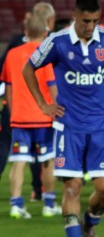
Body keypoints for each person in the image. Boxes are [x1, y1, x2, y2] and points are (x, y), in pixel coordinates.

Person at [23, 0, 104, 237]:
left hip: (100, 127)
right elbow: (28, 68)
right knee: (72, 188)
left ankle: (90, 224)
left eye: (95, 20)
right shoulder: (57, 42)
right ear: (75, 16)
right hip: (69, 127)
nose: (90, 26)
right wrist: (43, 104)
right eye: (85, 21)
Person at [2, 14, 60, 219]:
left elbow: (8, 87)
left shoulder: (12, 54)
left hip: (19, 118)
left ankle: (16, 205)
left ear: (25, 32)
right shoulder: (47, 54)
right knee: (48, 160)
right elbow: (52, 86)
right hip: (44, 118)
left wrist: (13, 112)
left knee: (19, 161)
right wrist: (57, 111)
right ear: (46, 32)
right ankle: (49, 204)